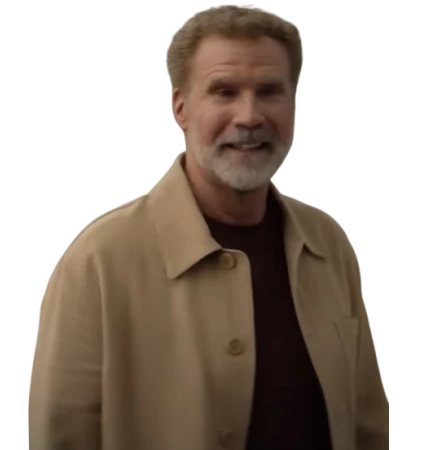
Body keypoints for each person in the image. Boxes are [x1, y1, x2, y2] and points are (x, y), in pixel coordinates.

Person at [28, 4, 389, 450]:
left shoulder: (328, 246)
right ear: (180, 109)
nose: (249, 115)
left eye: (269, 91)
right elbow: (60, 436)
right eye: (224, 91)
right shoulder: (99, 263)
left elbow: (368, 423)